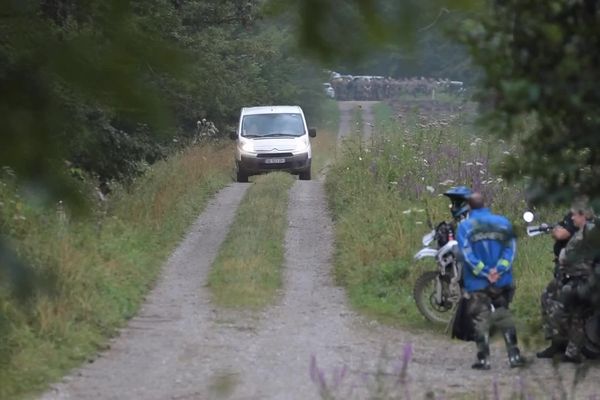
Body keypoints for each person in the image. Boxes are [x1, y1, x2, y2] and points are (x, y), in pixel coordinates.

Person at [456, 192, 525, 370]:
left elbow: (466, 254)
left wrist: (485, 272)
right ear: (485, 203)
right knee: (504, 314)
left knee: (480, 319)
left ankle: (484, 359)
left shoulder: (465, 226)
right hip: (503, 281)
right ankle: (514, 356)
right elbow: (510, 250)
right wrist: (498, 270)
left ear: (469, 207)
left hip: (478, 283)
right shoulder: (503, 223)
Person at [541, 199, 596, 362]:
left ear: (583, 215)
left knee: (565, 308)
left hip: (584, 279)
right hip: (571, 276)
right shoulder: (582, 231)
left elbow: (571, 255)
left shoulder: (589, 233)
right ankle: (558, 344)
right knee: (547, 296)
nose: (571, 218)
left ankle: (572, 352)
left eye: (575, 215)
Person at [537, 211, 578, 358]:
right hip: (565, 269)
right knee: (547, 297)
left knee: (567, 302)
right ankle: (557, 342)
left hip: (578, 270)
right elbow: (560, 230)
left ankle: (573, 349)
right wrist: (557, 229)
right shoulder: (571, 214)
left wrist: (557, 230)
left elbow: (562, 234)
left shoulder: (585, 214)